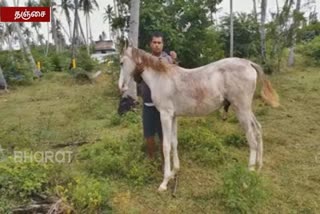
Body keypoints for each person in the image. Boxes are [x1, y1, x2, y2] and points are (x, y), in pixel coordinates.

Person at [137, 32, 177, 159]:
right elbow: (137, 79)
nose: (156, 45)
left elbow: (175, 76)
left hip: (164, 105)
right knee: (149, 135)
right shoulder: (143, 59)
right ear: (150, 44)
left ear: (162, 44)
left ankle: (164, 161)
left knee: (164, 135)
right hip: (148, 104)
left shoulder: (168, 59)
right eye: (154, 42)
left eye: (159, 43)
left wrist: (174, 60)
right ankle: (151, 160)